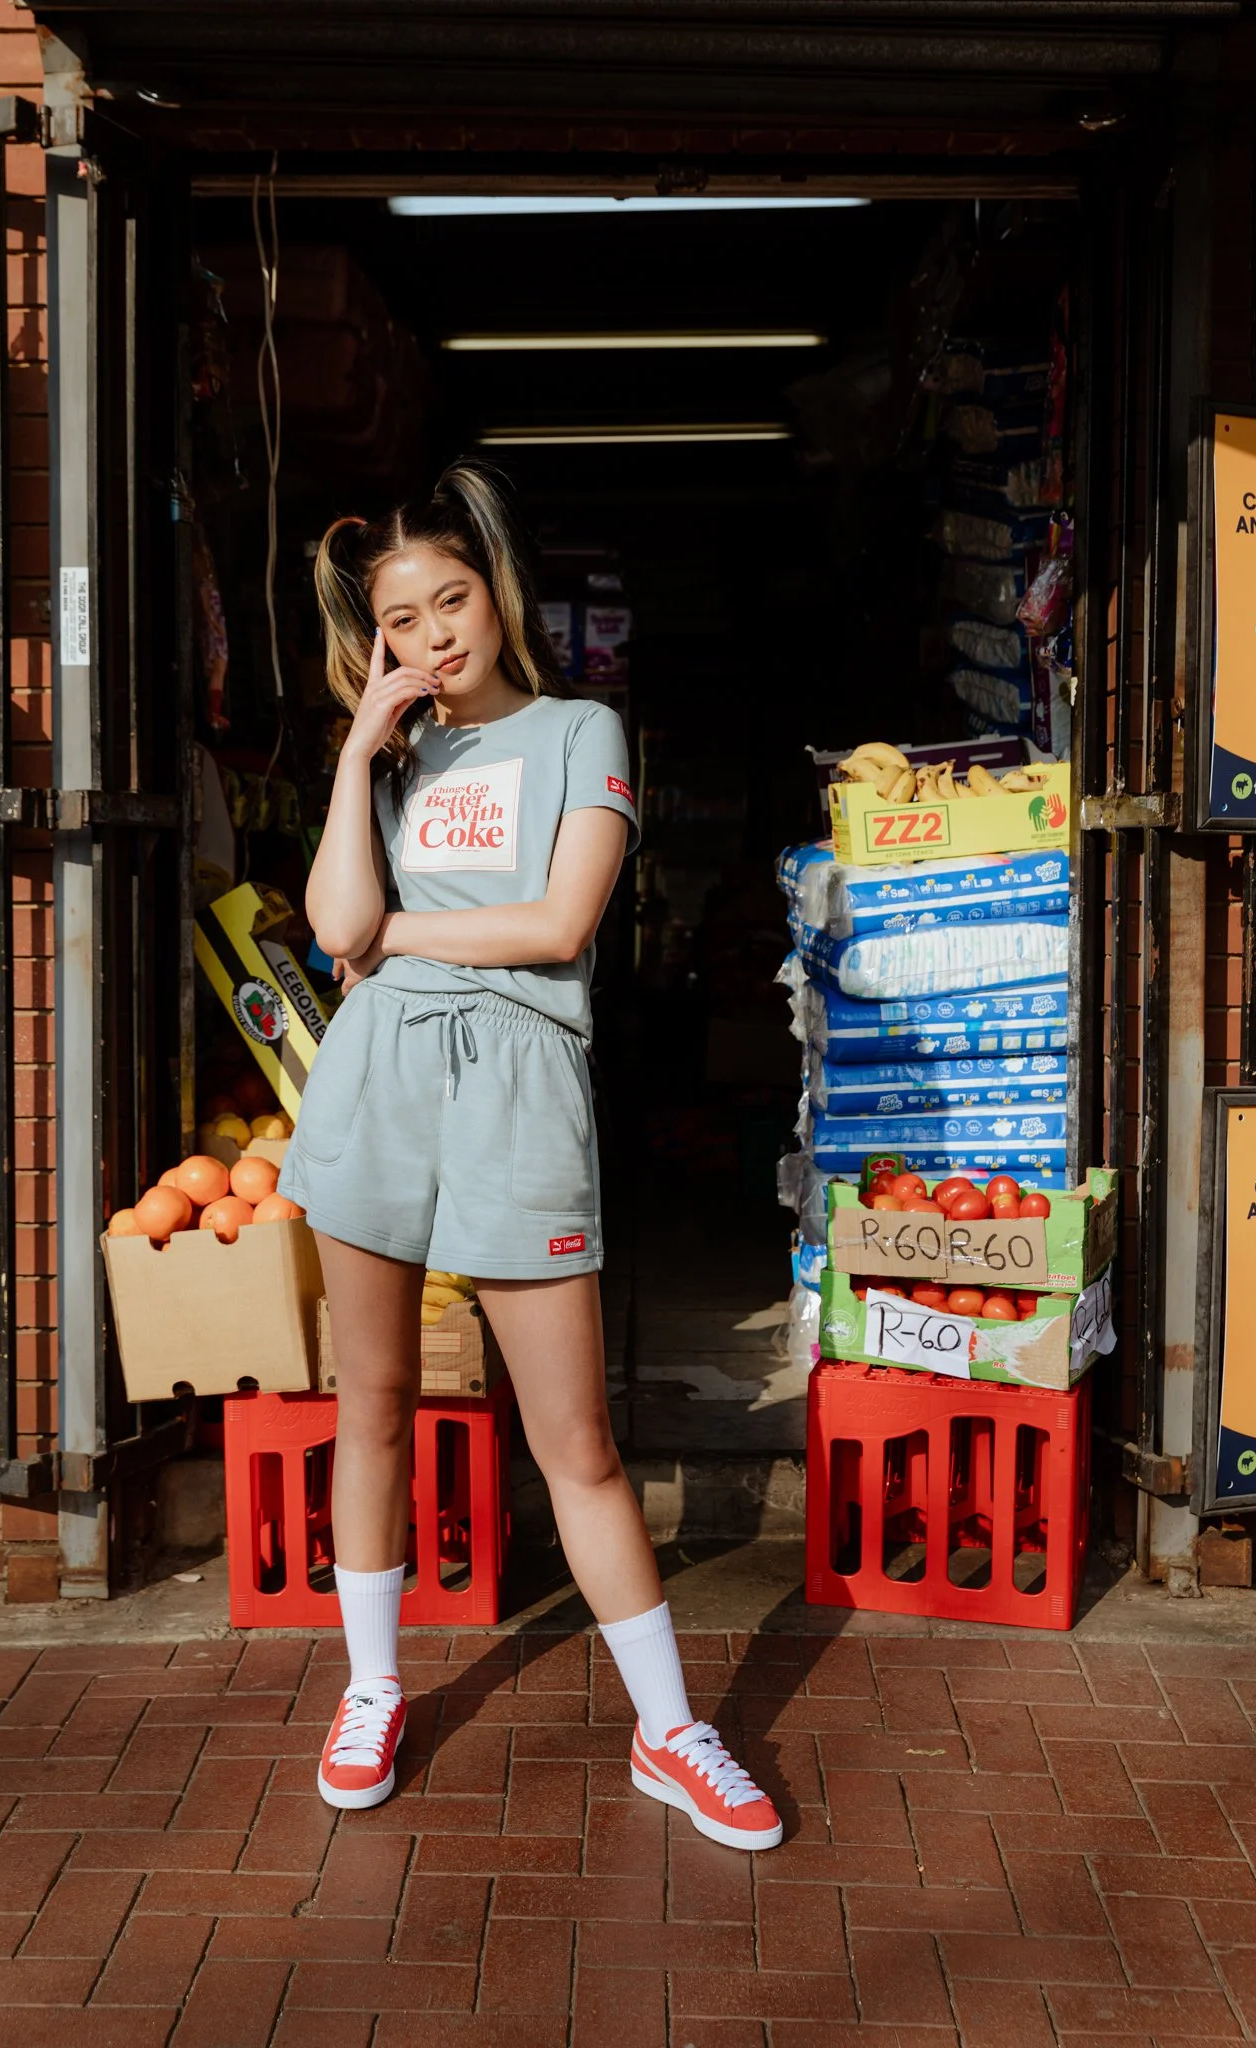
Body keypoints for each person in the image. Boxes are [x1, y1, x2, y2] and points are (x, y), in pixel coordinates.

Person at [279, 463, 782, 1851]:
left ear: (497, 592)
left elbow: (560, 925)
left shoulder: (578, 731)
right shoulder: (390, 756)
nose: (438, 634)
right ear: (373, 639)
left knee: (579, 1444)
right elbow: (334, 927)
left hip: (515, 1084)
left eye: (455, 597)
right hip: (374, 1081)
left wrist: (398, 937)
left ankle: (671, 1729)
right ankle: (373, 1688)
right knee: (370, 1407)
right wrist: (352, 757)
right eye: (405, 619)